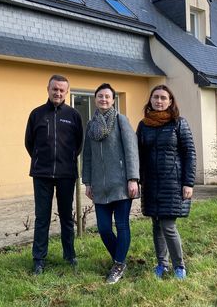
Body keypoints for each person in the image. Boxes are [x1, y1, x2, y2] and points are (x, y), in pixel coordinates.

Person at [24, 74, 84, 275]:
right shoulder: (36, 114)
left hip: (66, 174)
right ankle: (39, 259)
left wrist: (65, 160)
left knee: (67, 217)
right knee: (42, 217)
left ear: (67, 92)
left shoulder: (74, 115)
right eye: (54, 89)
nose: (58, 93)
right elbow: (29, 143)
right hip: (42, 174)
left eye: (61, 90)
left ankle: (70, 255)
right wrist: (43, 160)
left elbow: (78, 144)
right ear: (48, 89)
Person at [137, 84, 196, 280]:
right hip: (150, 183)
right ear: (150, 100)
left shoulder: (179, 123)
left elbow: (190, 154)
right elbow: (138, 154)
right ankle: (162, 264)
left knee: (168, 225)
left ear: (170, 101)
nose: (159, 101)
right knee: (156, 225)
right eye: (156, 97)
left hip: (173, 182)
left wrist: (189, 183)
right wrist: (137, 179)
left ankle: (179, 266)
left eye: (163, 98)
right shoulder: (143, 125)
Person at [82, 83, 140, 284]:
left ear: (113, 100)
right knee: (104, 228)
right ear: (95, 99)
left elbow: (132, 150)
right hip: (99, 186)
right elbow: (87, 156)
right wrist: (87, 182)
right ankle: (120, 261)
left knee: (122, 225)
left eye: (107, 96)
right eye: (100, 96)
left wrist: (133, 179)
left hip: (121, 185)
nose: (103, 99)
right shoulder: (91, 126)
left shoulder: (121, 120)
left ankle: (118, 264)